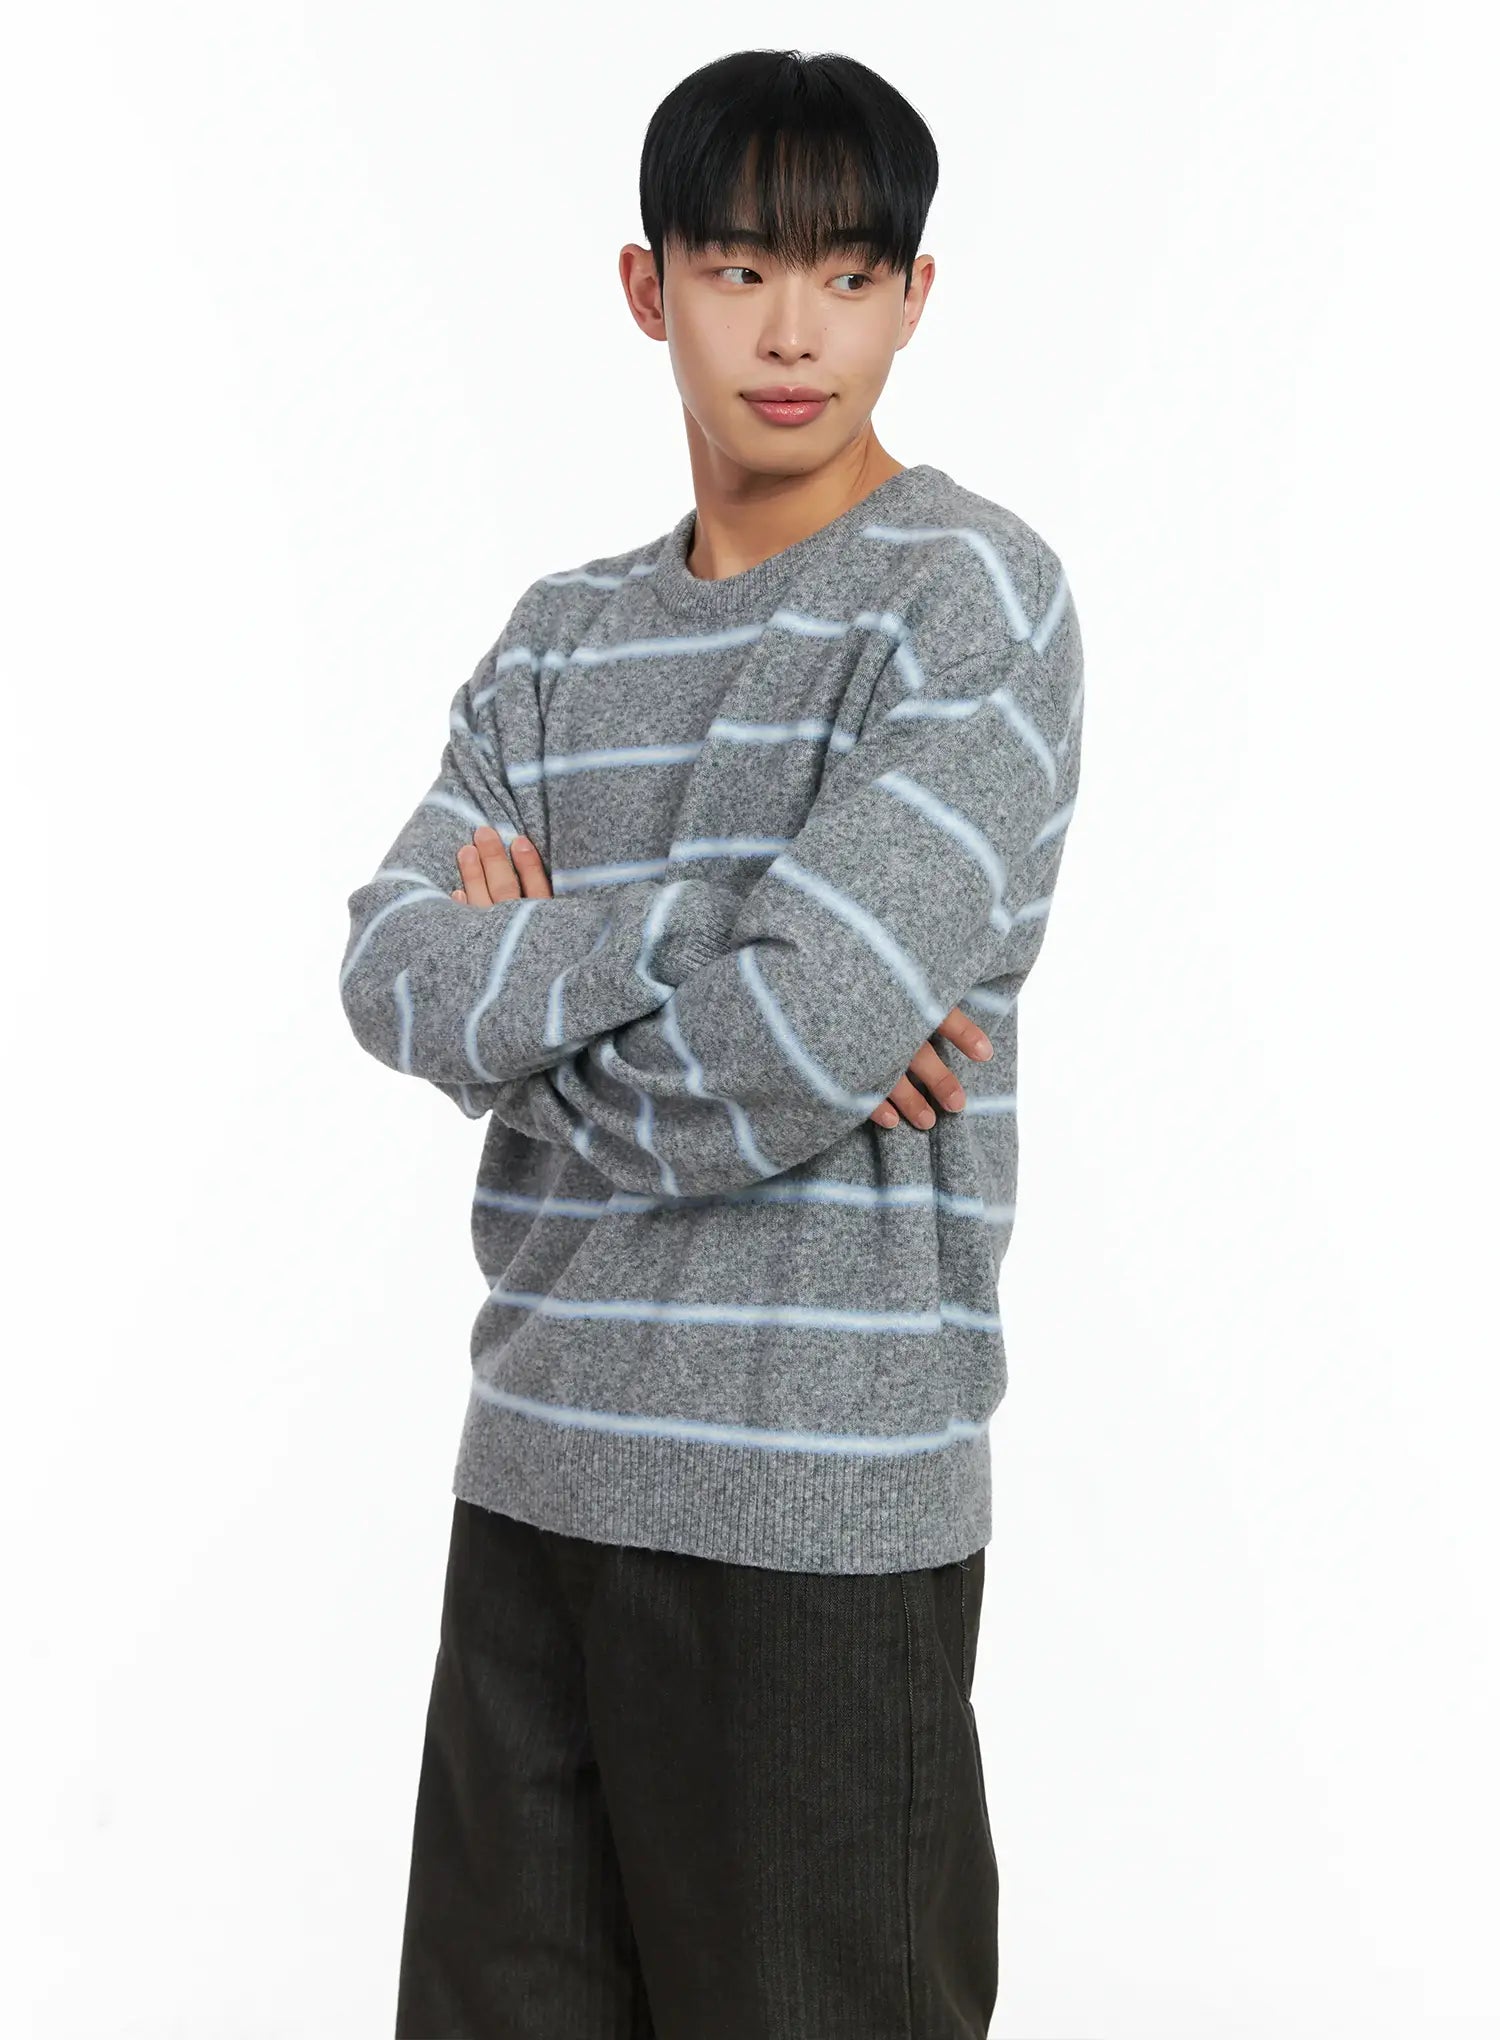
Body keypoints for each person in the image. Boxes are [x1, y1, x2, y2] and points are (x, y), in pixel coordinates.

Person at [338, 44, 1086, 2040]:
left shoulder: (971, 601)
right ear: (647, 284)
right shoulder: (557, 640)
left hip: (815, 1520)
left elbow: (808, 1021)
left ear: (915, 299)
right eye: (742, 266)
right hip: (534, 1483)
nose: (792, 329)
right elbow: (392, 967)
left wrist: (552, 974)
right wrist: (705, 937)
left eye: (847, 274)